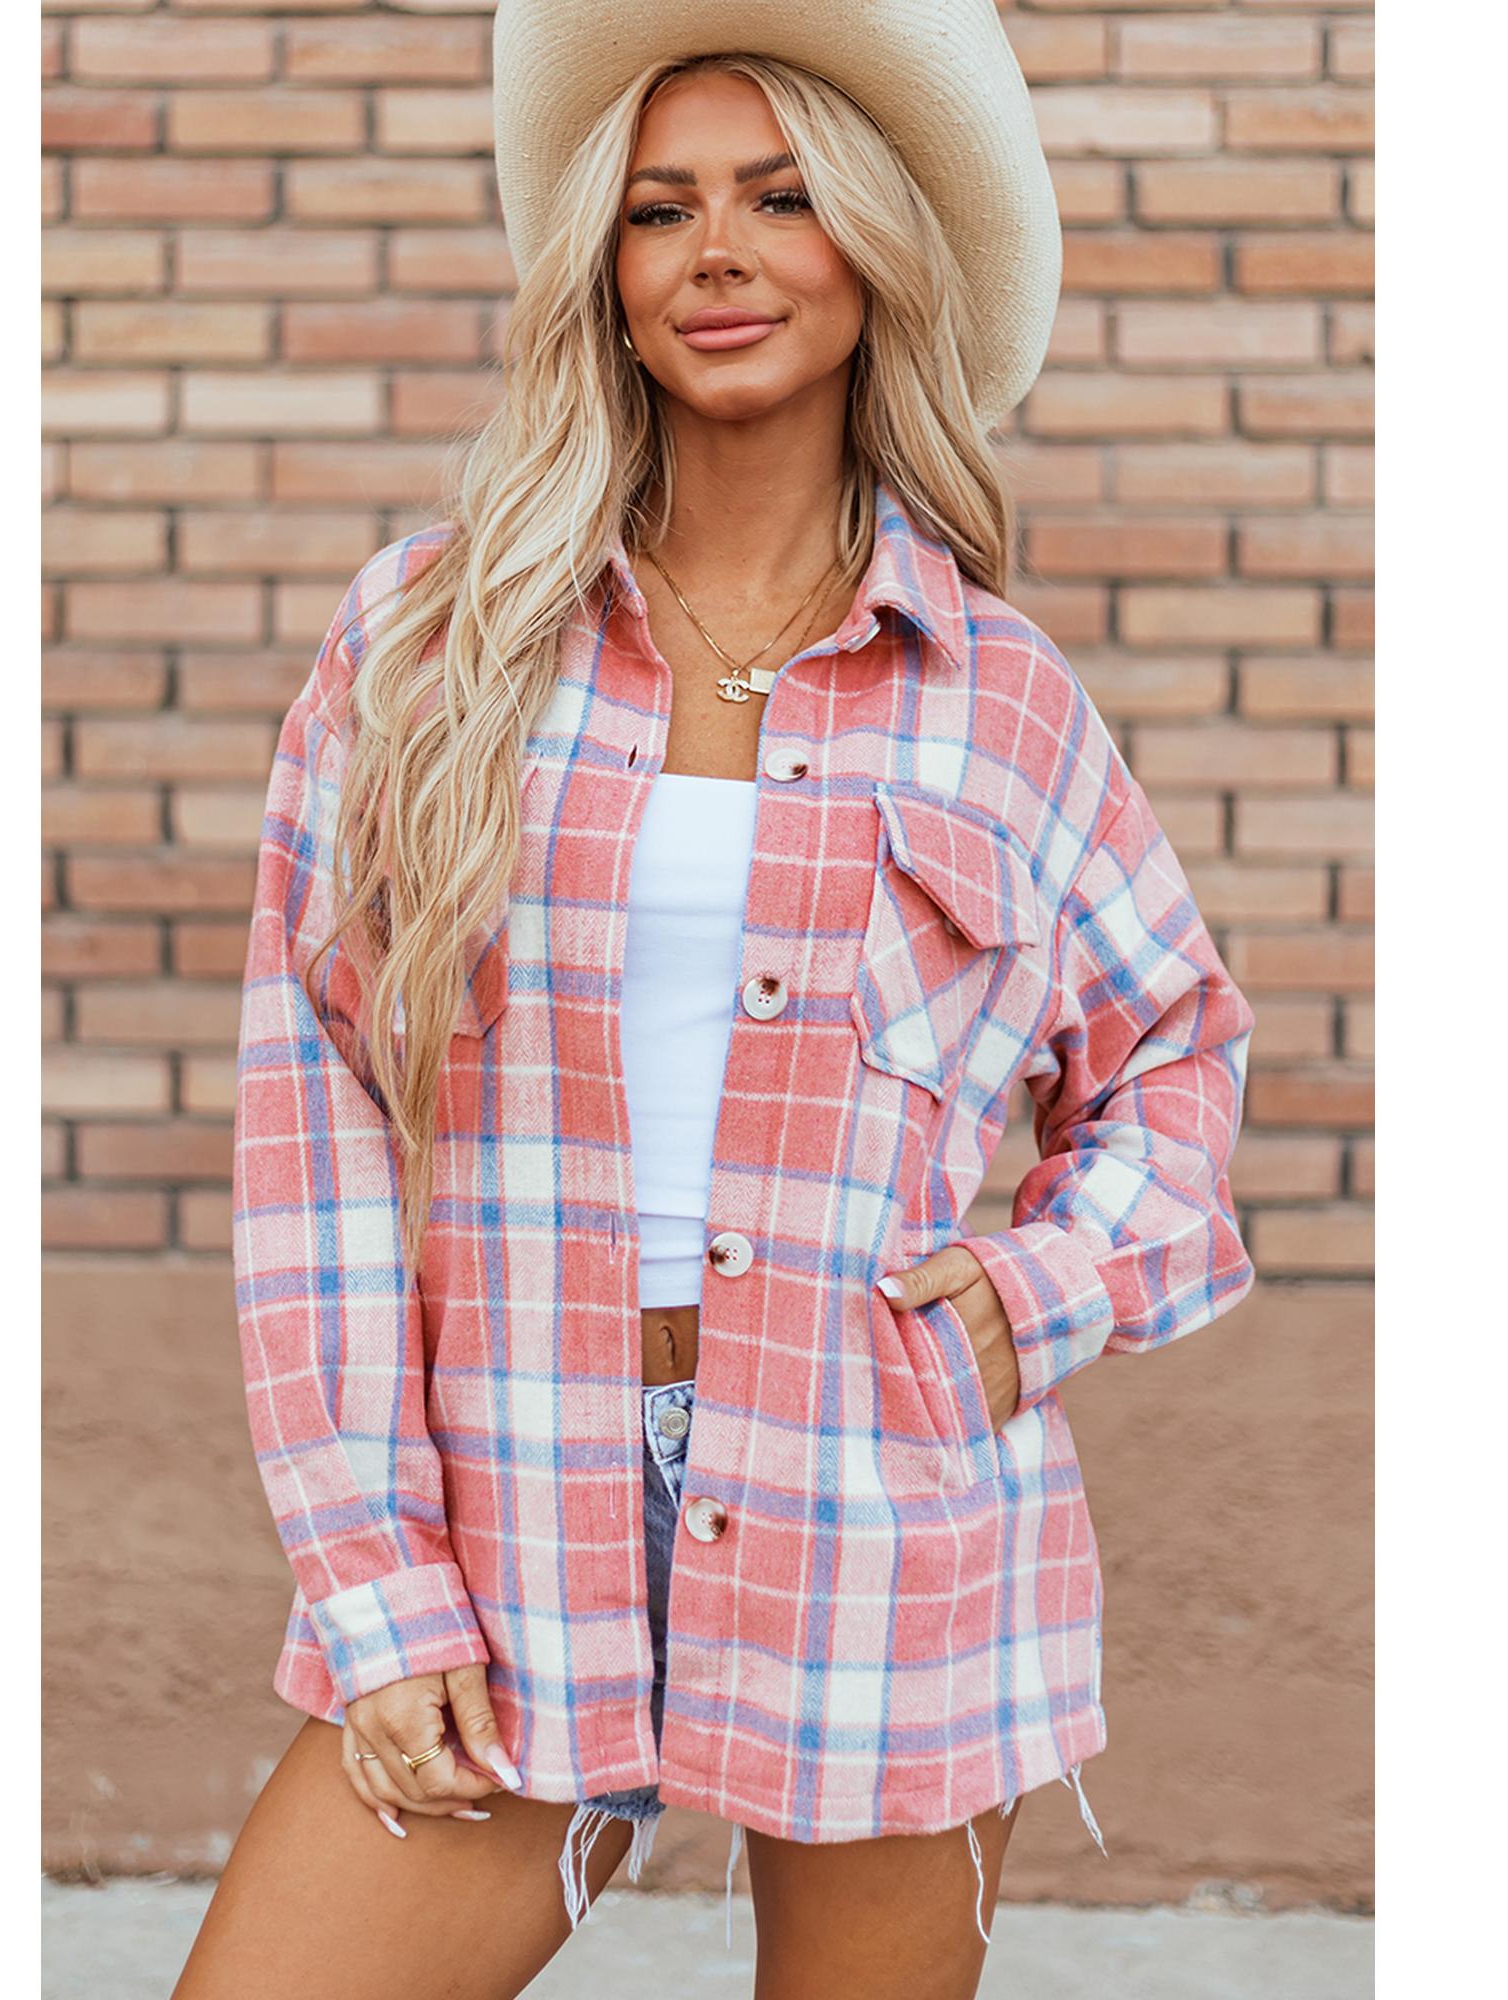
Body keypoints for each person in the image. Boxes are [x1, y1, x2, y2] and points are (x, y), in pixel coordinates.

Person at [175, 6, 1256, 1996]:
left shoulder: (995, 699)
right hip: (514, 1492)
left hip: (878, 1494)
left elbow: (1176, 1055)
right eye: (659, 210)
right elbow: (311, 1117)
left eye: (779, 198)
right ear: (604, 267)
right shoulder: (428, 639)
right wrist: (373, 1575)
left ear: (873, 247)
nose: (717, 254)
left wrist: (1028, 1300)